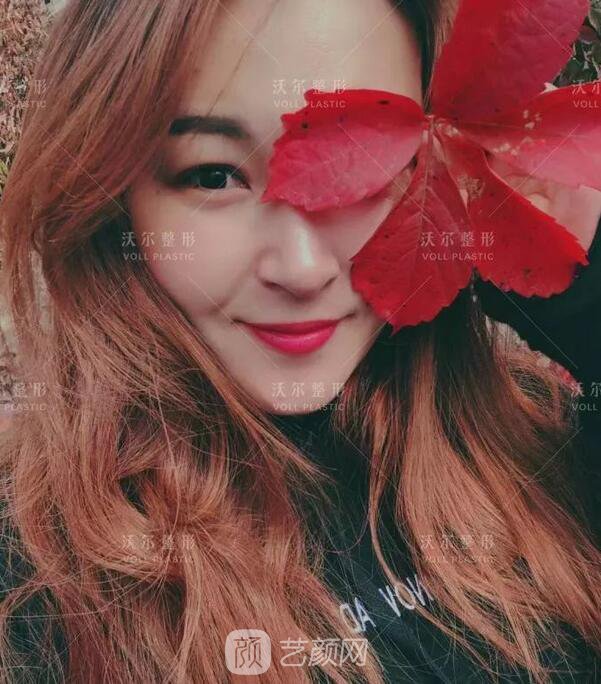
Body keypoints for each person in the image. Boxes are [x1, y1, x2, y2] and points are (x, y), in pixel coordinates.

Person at [0, 0, 599, 682]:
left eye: (364, 162)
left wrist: (576, 293)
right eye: (212, 175)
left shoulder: (540, 435)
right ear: (111, 199)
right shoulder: (34, 574)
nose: (302, 267)